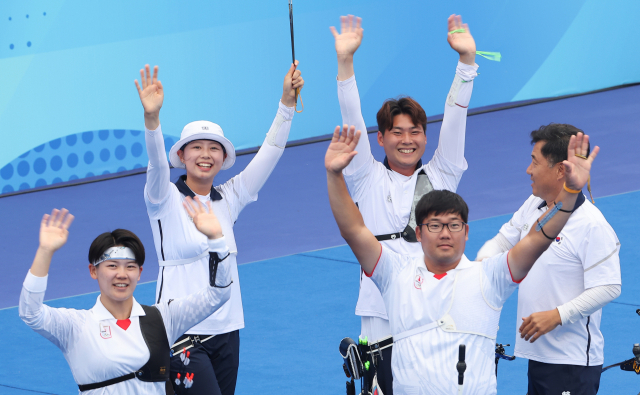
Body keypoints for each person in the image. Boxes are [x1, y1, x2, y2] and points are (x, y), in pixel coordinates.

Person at [324, 124, 599, 394]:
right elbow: (354, 230)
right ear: (419, 233)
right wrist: (334, 175)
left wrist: (570, 194)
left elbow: (538, 237)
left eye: (454, 225)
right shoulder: (394, 274)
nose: (445, 233)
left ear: (466, 232)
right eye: (435, 225)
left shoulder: (490, 277)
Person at [134, 62, 304, 395]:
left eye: (214, 148)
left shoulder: (229, 198)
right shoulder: (162, 196)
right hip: (182, 335)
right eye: (196, 147)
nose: (205, 154)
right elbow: (155, 163)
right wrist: (152, 120)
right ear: (182, 156)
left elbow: (271, 152)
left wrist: (286, 104)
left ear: (222, 157)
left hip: (228, 333)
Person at [330, 14, 478, 393]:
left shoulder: (443, 173)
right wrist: (345, 63)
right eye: (397, 132)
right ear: (380, 139)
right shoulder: (365, 174)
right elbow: (352, 115)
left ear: (426, 138)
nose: (407, 140)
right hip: (380, 305)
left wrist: (466, 64)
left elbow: (457, 116)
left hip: (436, 298)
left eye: (416, 132)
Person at [19, 200, 232, 394]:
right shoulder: (75, 326)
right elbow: (30, 312)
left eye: (130, 267)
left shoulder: (165, 318)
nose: (122, 274)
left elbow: (219, 294)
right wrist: (45, 251)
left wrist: (216, 240)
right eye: (112, 266)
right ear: (93, 271)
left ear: (139, 273)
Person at [475, 124, 621, 395]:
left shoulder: (592, 225)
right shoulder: (533, 204)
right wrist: (474, 273)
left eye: (534, 162)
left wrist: (557, 316)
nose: (528, 170)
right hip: (539, 355)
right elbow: (502, 241)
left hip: (571, 364)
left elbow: (609, 286)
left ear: (559, 171)